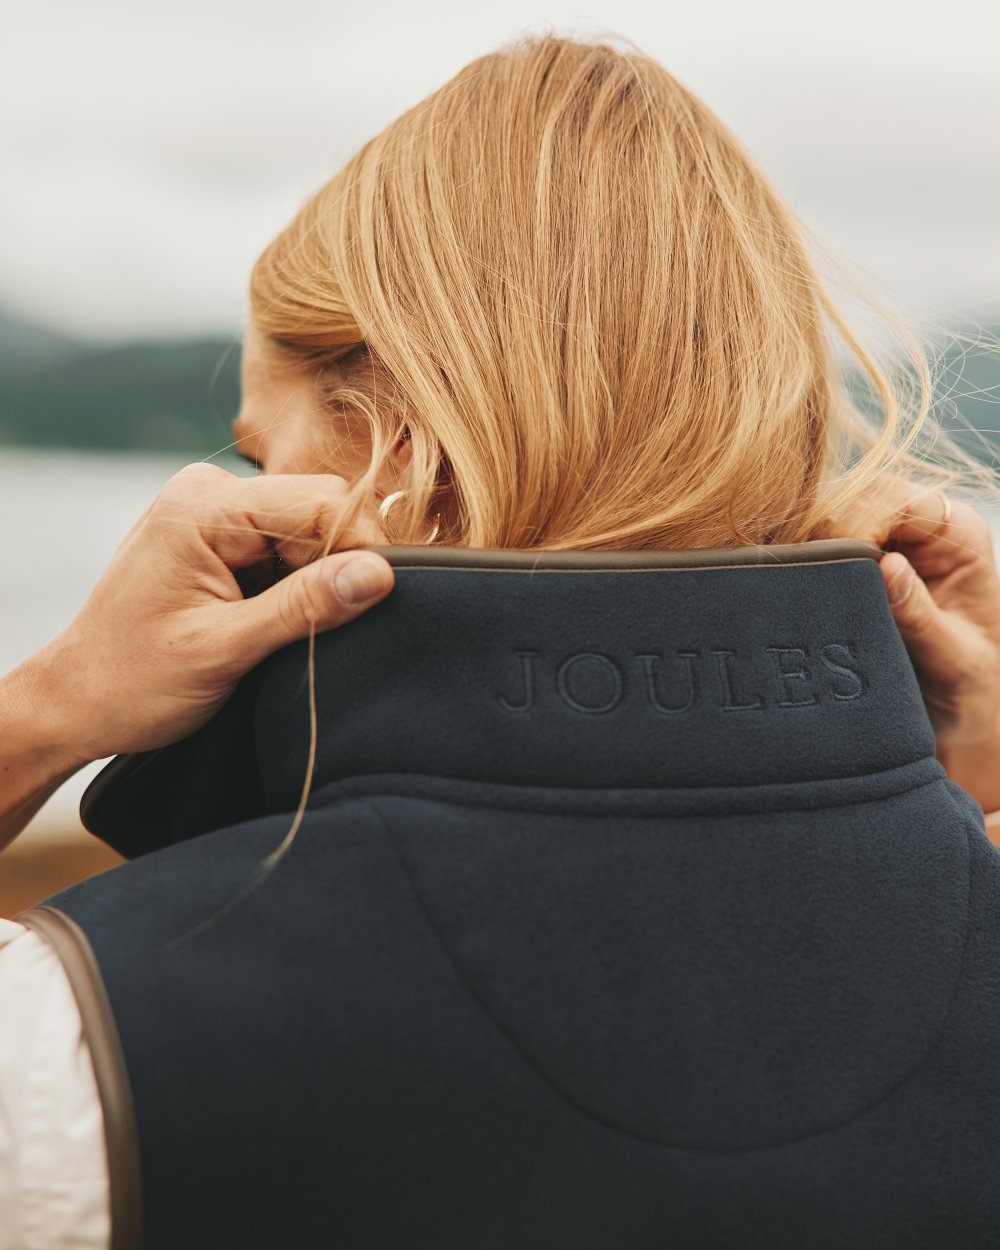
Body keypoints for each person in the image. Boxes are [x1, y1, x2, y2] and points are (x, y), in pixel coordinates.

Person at [2, 33, 1000, 1249]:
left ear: (405, 458)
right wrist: (963, 794)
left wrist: (48, 708)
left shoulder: (80, 1040)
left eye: (260, 457)